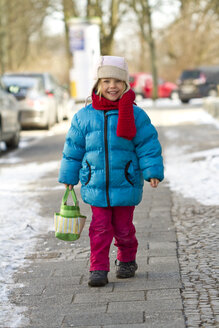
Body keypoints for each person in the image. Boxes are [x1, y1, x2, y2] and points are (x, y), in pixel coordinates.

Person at [58, 56, 164, 287]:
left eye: (117, 81)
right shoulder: (84, 116)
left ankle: (126, 259)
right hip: (95, 183)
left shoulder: (135, 115)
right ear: (98, 84)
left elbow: (148, 144)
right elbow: (73, 148)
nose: (112, 86)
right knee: (100, 227)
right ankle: (98, 267)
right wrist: (69, 175)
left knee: (124, 228)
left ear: (125, 84)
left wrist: (152, 171)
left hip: (125, 181)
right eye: (106, 81)